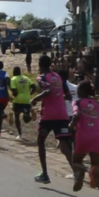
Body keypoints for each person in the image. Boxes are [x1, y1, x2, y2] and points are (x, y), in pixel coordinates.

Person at [30, 54, 74, 184]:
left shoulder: (42, 77)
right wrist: (57, 99)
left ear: (40, 64)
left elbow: (48, 90)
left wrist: (35, 99)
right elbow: (68, 96)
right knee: (64, 144)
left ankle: (45, 174)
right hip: (62, 114)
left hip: (48, 116)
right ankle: (76, 171)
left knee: (41, 142)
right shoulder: (58, 77)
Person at [70, 81, 99, 197]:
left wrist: (71, 125)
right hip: (96, 138)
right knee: (96, 168)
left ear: (80, 92)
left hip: (83, 137)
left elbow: (76, 115)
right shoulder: (98, 104)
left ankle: (84, 170)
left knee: (75, 161)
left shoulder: (78, 102)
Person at [8, 66, 35, 141]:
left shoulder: (13, 79)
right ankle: (28, 114)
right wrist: (29, 94)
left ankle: (20, 135)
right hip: (27, 100)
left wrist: (14, 95)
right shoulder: (26, 78)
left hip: (17, 101)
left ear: (14, 72)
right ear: (20, 72)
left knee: (17, 117)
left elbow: (14, 91)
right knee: (26, 119)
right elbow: (34, 86)